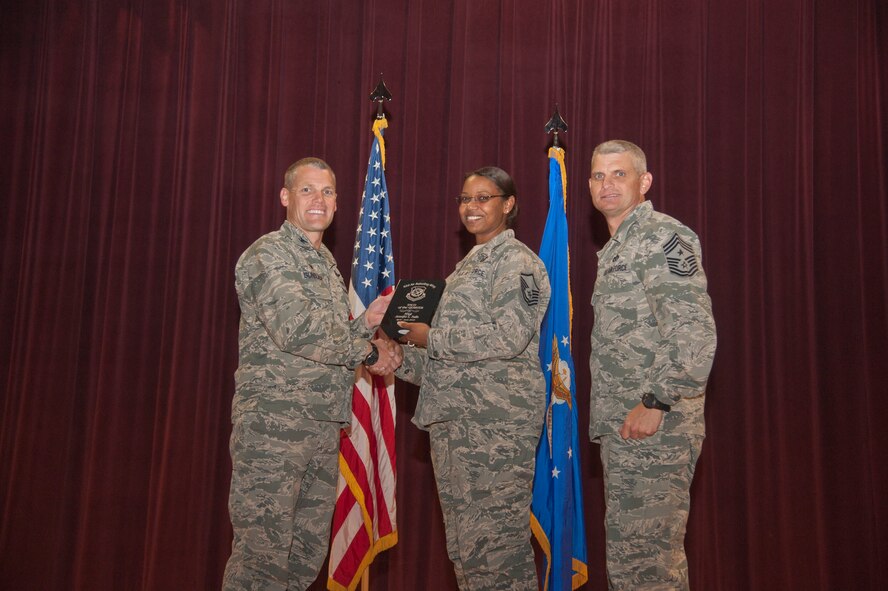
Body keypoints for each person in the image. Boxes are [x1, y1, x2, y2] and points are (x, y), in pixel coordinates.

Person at [223, 157, 400, 590]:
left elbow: (329, 337)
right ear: (285, 197)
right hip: (274, 428)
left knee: (303, 559)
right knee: (261, 560)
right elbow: (296, 330)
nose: (318, 200)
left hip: (322, 428)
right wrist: (368, 351)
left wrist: (367, 322)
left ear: (338, 202)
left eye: (326, 192)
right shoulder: (269, 254)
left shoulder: (325, 265)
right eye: (307, 190)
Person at [396, 166, 550, 590]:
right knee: (468, 554)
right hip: (456, 427)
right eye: (465, 199)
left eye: (484, 198)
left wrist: (434, 336)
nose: (472, 207)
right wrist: (395, 358)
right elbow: (448, 360)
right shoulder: (465, 269)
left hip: (495, 430)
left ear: (509, 204)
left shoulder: (518, 263)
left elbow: (510, 336)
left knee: (498, 553)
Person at [587, 140, 717, 590]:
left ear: (644, 182)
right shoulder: (618, 246)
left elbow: (693, 332)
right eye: (599, 176)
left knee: (648, 568)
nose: (607, 184)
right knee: (633, 564)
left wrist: (656, 401)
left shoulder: (661, 236)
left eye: (619, 174)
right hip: (627, 429)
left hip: (656, 426)